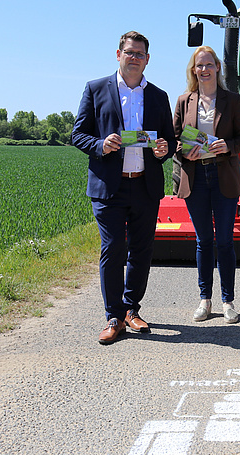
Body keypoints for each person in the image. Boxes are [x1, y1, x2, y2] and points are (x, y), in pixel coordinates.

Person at [71, 31, 176, 345]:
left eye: (140, 54)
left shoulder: (158, 95)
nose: (134, 58)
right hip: (109, 187)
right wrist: (101, 144)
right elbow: (78, 134)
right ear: (118, 55)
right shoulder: (95, 89)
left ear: (148, 59)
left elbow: (169, 141)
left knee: (142, 250)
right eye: (129, 52)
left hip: (145, 184)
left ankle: (131, 308)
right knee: (114, 247)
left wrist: (163, 150)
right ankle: (113, 316)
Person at [173, 46, 240, 324]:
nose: (204, 69)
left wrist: (227, 146)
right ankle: (205, 300)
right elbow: (174, 139)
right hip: (195, 177)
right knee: (203, 240)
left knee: (225, 241)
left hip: (223, 176)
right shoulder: (184, 101)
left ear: (217, 67)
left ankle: (228, 301)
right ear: (193, 70)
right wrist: (185, 152)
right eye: (199, 65)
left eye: (208, 64)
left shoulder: (232, 100)